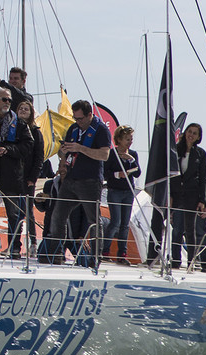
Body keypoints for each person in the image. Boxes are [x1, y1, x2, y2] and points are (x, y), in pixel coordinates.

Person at [44, 100, 113, 264]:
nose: (78, 122)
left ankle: (96, 257)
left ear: (90, 115)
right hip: (70, 179)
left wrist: (80, 148)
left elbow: (105, 155)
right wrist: (62, 164)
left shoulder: (101, 130)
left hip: (90, 181)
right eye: (75, 118)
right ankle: (56, 254)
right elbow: (65, 150)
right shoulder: (73, 129)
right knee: (58, 215)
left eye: (80, 118)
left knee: (93, 220)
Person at [0, 89, 33, 257]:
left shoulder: (19, 124)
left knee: (13, 214)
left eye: (9, 100)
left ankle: (15, 248)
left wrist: (9, 149)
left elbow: (28, 145)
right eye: (4, 99)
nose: (7, 103)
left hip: (11, 175)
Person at [169, 122, 206, 271]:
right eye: (190, 131)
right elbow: (171, 176)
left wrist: (205, 201)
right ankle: (175, 262)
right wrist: (169, 196)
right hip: (178, 198)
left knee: (197, 231)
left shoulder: (201, 154)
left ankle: (201, 264)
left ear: (198, 137)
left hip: (194, 199)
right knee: (177, 230)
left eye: (195, 133)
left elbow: (205, 179)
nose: (191, 135)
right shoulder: (175, 151)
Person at [8, 100, 46, 257]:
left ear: (31, 113)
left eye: (26, 109)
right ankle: (14, 245)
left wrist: (33, 177)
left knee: (28, 211)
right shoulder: (11, 130)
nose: (23, 111)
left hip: (27, 178)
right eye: (20, 108)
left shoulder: (36, 132)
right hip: (12, 177)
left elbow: (39, 157)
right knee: (12, 212)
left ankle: (33, 244)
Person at [103, 126, 141, 262]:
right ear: (119, 139)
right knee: (115, 222)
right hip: (115, 191)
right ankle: (105, 251)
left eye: (131, 139)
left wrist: (131, 159)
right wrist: (117, 175)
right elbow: (105, 173)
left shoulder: (133, 154)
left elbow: (137, 172)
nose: (130, 142)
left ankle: (122, 254)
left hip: (128, 192)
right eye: (127, 139)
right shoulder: (111, 154)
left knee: (125, 224)